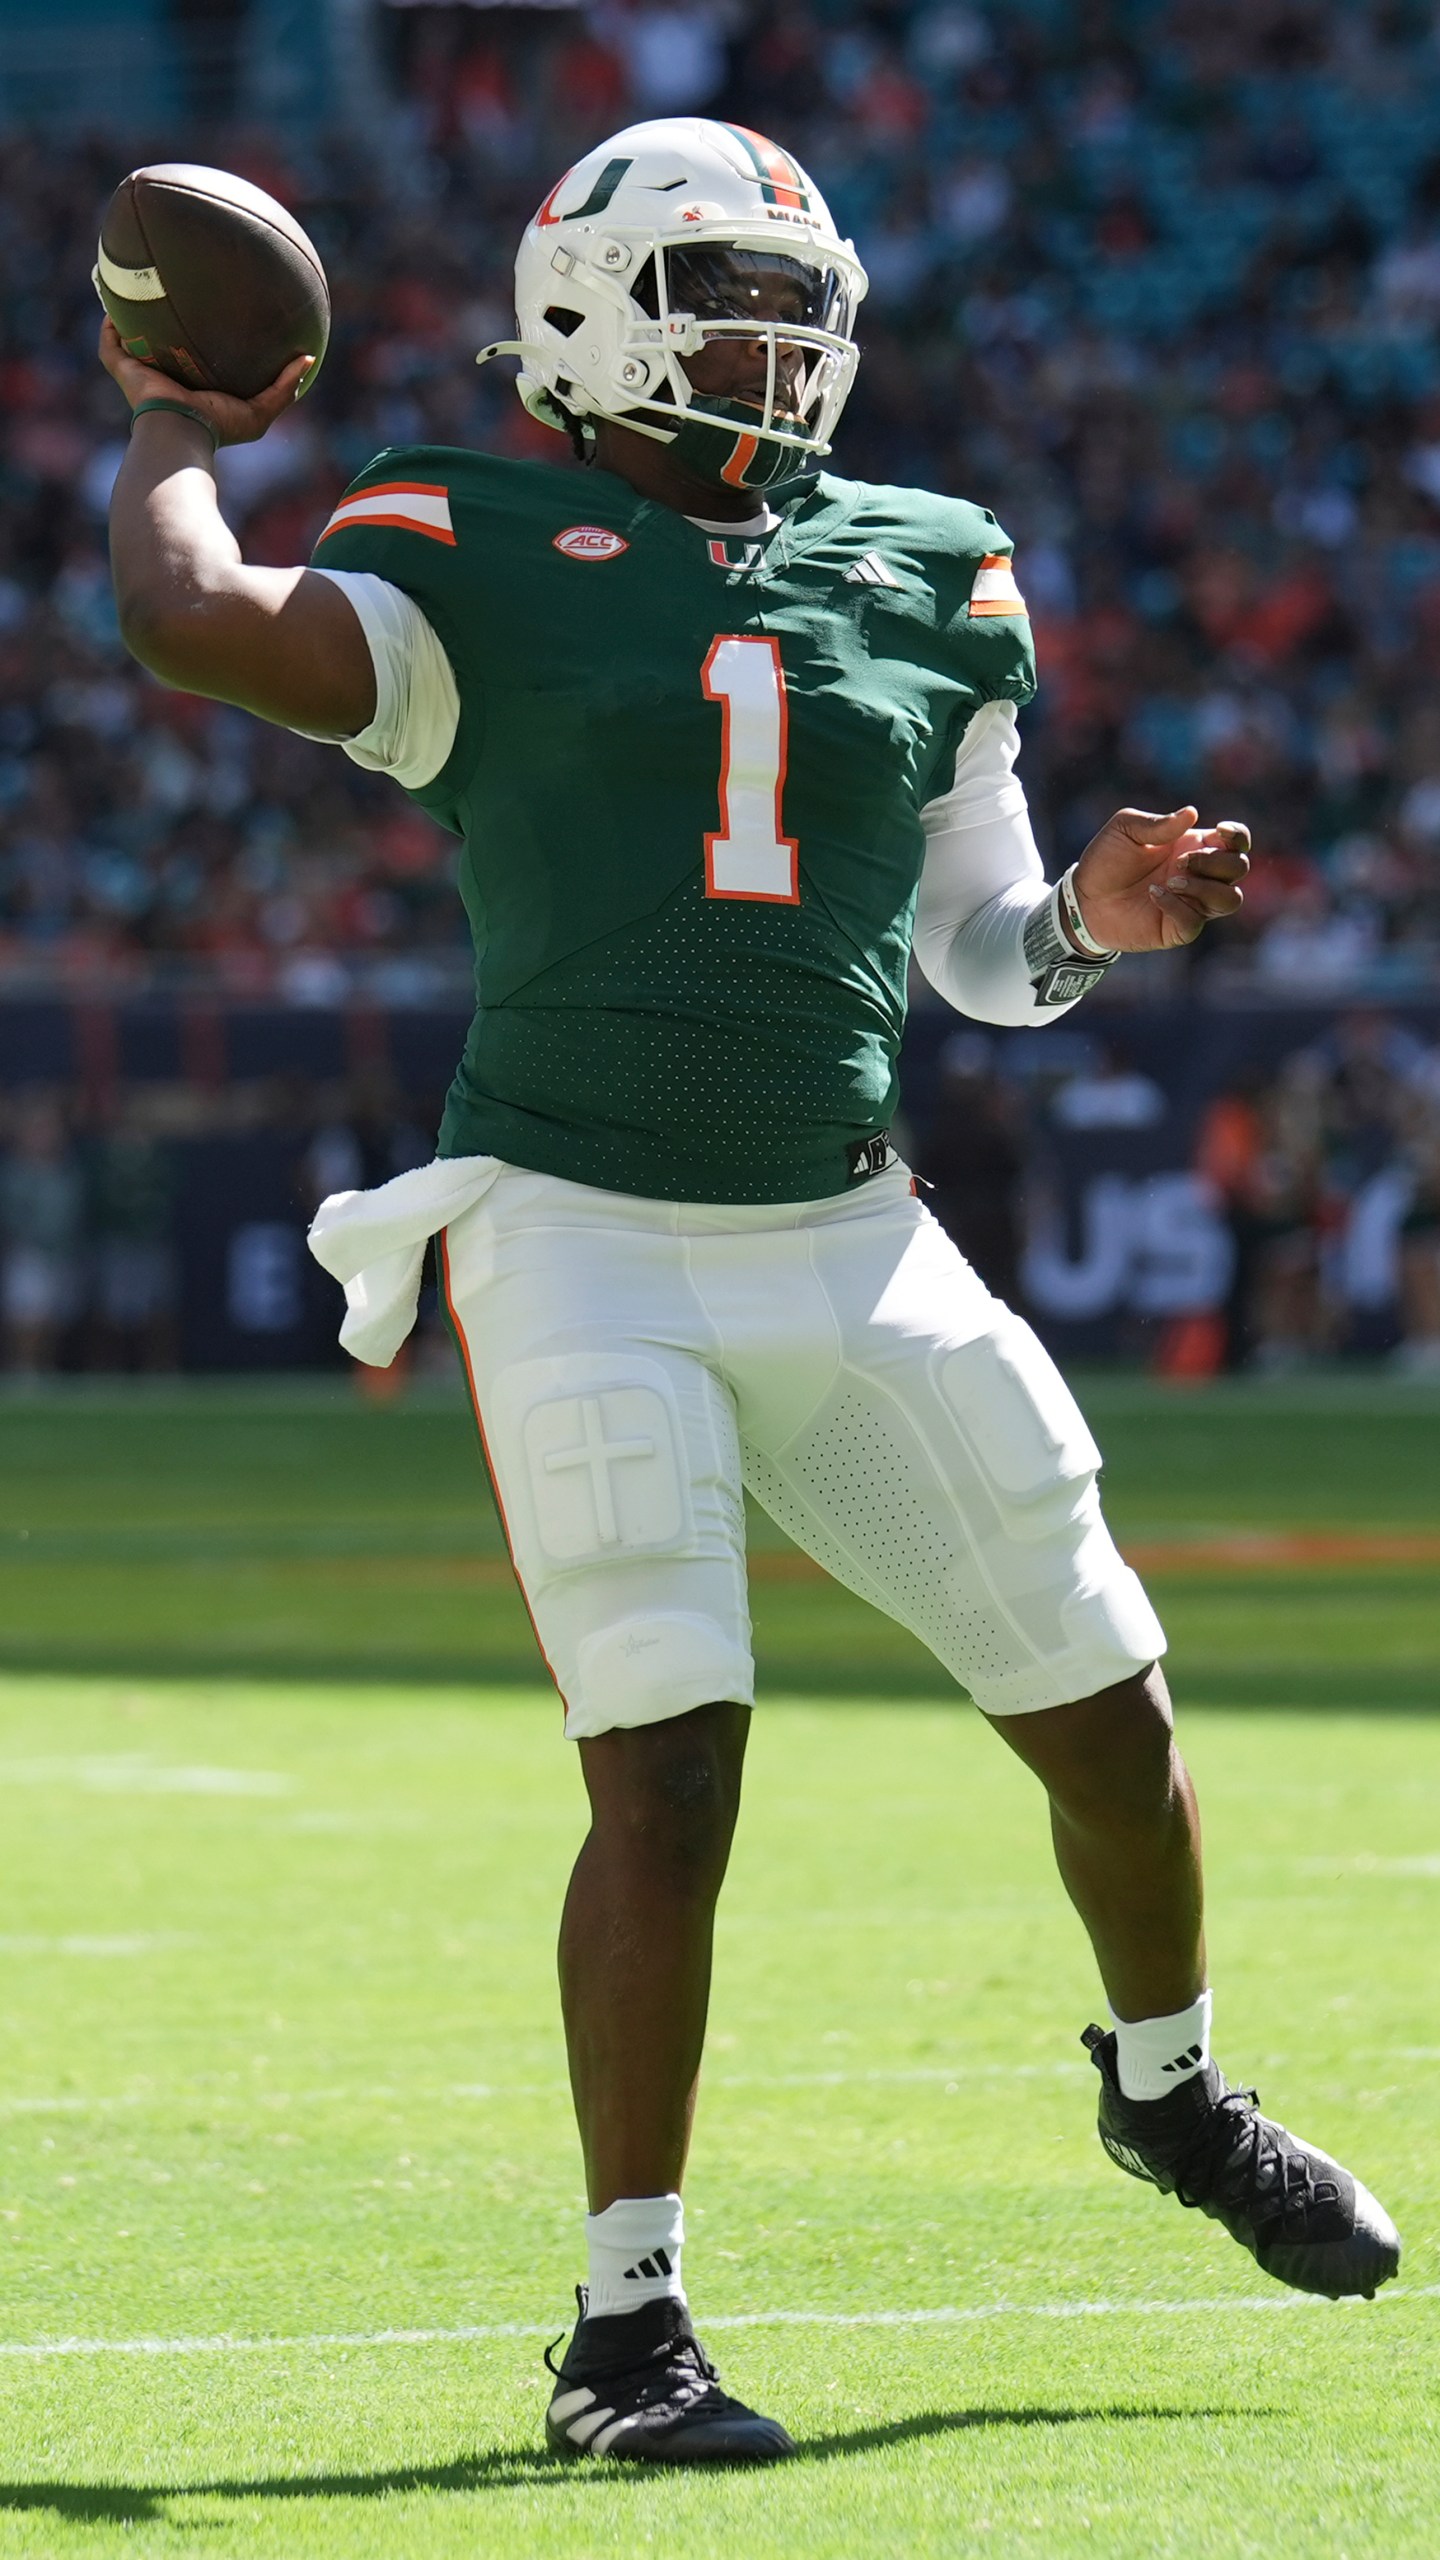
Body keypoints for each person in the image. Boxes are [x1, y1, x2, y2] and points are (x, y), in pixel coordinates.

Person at [101, 115, 1398, 2468]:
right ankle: (629, 2330)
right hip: (575, 1217)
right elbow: (195, 623)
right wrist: (172, 433)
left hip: (848, 1217)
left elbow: (989, 959)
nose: (777, 347)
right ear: (586, 311)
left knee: (1108, 1702)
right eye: (724, 297)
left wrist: (1101, 918)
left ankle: (1172, 2090)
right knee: (672, 1765)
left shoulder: (935, 565)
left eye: (801, 308)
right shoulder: (465, 532)